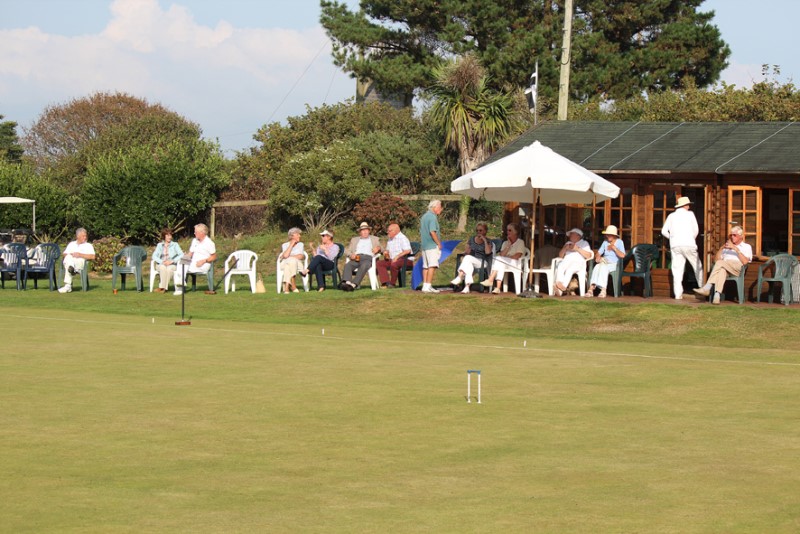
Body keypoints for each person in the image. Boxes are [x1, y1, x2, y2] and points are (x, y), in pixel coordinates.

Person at [693, 225, 752, 305]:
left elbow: (745, 262)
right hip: (725, 267)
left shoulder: (746, 247)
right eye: (731, 235)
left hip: (737, 268)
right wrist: (721, 248)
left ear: (741, 236)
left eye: (734, 235)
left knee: (721, 263)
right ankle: (717, 296)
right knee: (721, 270)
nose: (732, 237)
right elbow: (716, 260)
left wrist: (735, 249)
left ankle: (707, 287)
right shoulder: (727, 247)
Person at [661, 196, 703, 300]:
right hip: (689, 244)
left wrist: (672, 237)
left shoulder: (671, 216)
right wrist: (690, 238)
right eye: (688, 204)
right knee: (697, 267)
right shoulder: (690, 214)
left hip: (676, 245)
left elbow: (663, 231)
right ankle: (702, 291)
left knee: (677, 270)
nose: (689, 206)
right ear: (685, 205)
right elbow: (696, 230)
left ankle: (678, 295)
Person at [479, 223, 526, 294]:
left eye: (510, 230)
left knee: (499, 260)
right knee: (500, 263)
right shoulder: (505, 243)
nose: (508, 232)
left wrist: (506, 257)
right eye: (507, 230)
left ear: (515, 232)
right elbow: (502, 254)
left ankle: (490, 279)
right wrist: (508, 246)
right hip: (505, 262)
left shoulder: (520, 242)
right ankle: (497, 288)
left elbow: (517, 256)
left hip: (516, 264)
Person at [451, 222, 495, 294]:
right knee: (469, 264)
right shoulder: (472, 239)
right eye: (477, 230)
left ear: (485, 231)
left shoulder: (488, 241)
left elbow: (488, 252)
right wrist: (467, 250)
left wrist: (484, 241)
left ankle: (460, 276)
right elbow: (467, 252)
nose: (478, 232)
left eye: (480, 230)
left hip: (483, 262)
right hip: (472, 260)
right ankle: (467, 287)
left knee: (468, 258)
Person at [173, 223, 217, 295]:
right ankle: (180, 284)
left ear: (202, 233)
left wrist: (203, 261)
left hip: (203, 264)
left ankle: (180, 288)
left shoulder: (210, 243)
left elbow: (214, 256)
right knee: (181, 262)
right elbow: (190, 253)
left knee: (181, 267)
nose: (194, 233)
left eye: (196, 232)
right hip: (193, 263)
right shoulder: (194, 241)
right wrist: (185, 256)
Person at [584, 225, 625, 298]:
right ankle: (591, 289)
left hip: (614, 264)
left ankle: (603, 290)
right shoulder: (605, 242)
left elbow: (622, 255)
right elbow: (598, 253)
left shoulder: (619, 242)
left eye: (609, 235)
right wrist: (598, 257)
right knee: (597, 266)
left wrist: (614, 248)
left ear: (614, 235)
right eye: (607, 235)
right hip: (605, 262)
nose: (608, 236)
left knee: (603, 267)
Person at [340, 222, 381, 291]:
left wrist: (378, 248)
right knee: (348, 265)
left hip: (368, 258)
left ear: (369, 231)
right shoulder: (354, 240)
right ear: (360, 232)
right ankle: (347, 283)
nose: (365, 232)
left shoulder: (375, 239)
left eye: (366, 230)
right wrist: (351, 255)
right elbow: (347, 250)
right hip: (356, 257)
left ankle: (353, 284)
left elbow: (382, 249)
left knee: (364, 265)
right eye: (363, 230)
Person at [554, 228, 592, 296]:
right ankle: (560, 286)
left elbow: (589, 256)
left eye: (572, 234)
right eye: (570, 234)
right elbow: (560, 256)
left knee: (569, 270)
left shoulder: (584, 243)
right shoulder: (568, 243)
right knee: (560, 266)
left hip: (578, 263)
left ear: (578, 236)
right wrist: (564, 248)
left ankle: (562, 287)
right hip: (566, 261)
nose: (570, 236)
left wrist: (577, 249)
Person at [58, 227, 96, 293]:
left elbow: (93, 256)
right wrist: (71, 254)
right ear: (78, 236)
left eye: (85, 236)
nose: (85, 237)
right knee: (68, 257)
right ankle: (71, 270)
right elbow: (64, 254)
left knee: (68, 263)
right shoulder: (71, 244)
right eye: (83, 236)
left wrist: (80, 255)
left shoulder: (88, 245)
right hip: (70, 261)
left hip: (81, 263)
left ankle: (68, 285)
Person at [375, 223, 413, 288]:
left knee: (394, 264)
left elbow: (407, 250)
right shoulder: (390, 239)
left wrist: (397, 257)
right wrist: (386, 252)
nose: (388, 232)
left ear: (396, 231)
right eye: (388, 231)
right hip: (393, 260)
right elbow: (388, 250)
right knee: (379, 263)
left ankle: (392, 284)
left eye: (389, 231)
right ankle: (386, 283)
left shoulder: (402, 238)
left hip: (406, 260)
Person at [420, 199, 443, 293]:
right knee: (432, 265)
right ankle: (428, 285)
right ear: (435, 207)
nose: (441, 209)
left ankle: (425, 286)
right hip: (431, 245)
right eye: (440, 207)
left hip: (424, 245)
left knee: (425, 266)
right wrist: (438, 243)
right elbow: (432, 232)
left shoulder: (424, 216)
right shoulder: (432, 217)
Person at [152, 227, 183, 293]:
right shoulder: (159, 245)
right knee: (163, 267)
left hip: (171, 264)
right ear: (164, 236)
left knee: (169, 269)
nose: (170, 237)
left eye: (170, 235)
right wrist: (162, 262)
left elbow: (181, 254)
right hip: (161, 264)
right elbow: (154, 256)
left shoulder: (175, 245)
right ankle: (163, 288)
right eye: (167, 235)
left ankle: (163, 288)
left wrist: (172, 261)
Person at [278, 227, 305, 293]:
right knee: (290, 263)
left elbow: (301, 256)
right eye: (298, 234)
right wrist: (291, 245)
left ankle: (287, 287)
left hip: (297, 264)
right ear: (292, 235)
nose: (300, 236)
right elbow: (286, 255)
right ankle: (293, 285)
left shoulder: (300, 244)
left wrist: (290, 256)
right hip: (285, 263)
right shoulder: (284, 245)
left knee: (291, 261)